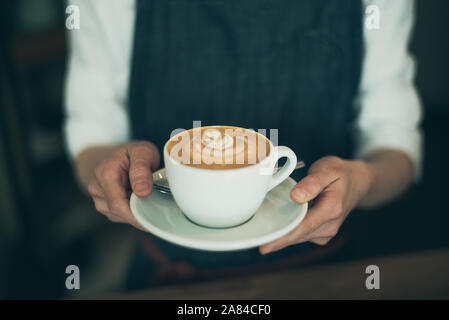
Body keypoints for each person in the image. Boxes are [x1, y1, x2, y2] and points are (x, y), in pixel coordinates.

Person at [64, 0, 422, 288]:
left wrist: (364, 178)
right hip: (169, 277)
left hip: (323, 275)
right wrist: (109, 166)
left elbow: (395, 143)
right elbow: (92, 135)